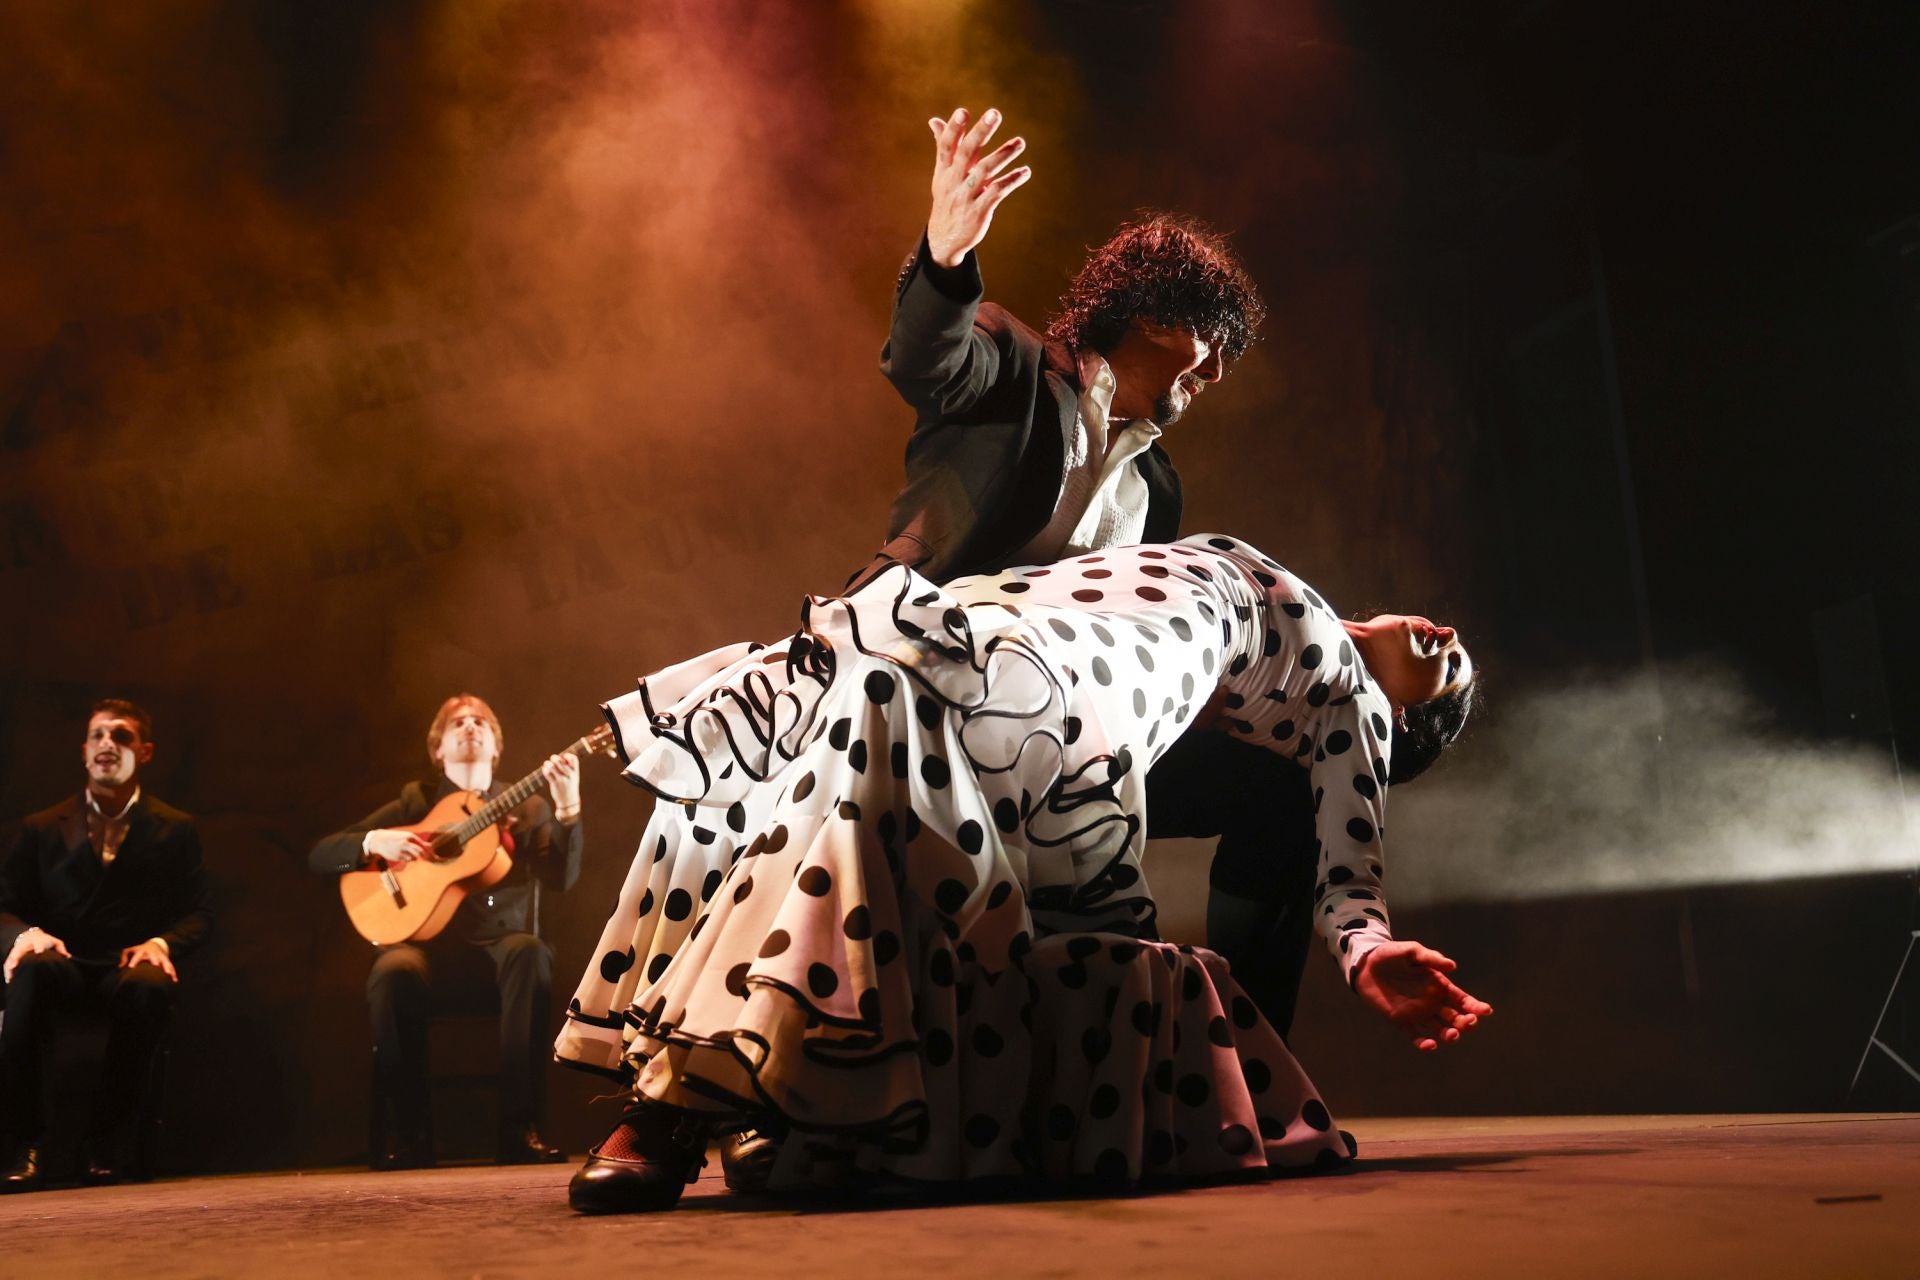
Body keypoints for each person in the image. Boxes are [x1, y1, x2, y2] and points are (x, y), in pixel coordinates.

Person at [558, 533, 1488, 1213]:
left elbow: (1348, 853)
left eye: (1451, 677)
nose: (1448, 637)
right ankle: (750, 1103)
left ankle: (677, 1114)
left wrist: (1365, 948)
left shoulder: (1353, 708)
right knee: (767, 745)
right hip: (1002, 608)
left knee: (887, 706)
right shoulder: (1301, 591)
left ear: (1403, 728)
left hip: (1082, 673)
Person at [867, 106, 1406, 1053]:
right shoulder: (1012, 366)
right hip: (938, 691)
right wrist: (947, 256)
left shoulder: (1159, 485)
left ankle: (1247, 1068)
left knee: (1278, 792)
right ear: (1157, 314)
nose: (1220, 378)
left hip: (1088, 742)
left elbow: (1149, 636)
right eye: (1216, 349)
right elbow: (925, 358)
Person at [309, 694, 583, 1169]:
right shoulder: (415, 803)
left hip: (497, 948)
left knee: (530, 952)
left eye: (481, 722)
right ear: (438, 749)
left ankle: (519, 1130)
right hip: (424, 946)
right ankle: (412, 1137)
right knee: (392, 968)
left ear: (497, 746)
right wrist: (376, 841)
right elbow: (321, 855)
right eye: (458, 723)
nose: (471, 727)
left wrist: (568, 809)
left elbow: (561, 879)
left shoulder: (530, 805)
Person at [0, 699, 214, 1191]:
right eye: (97, 736)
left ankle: (109, 1144)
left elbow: (200, 912)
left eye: (121, 737)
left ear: (146, 751)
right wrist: (26, 934)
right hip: (64, 962)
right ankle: (24, 1144)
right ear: (83, 751)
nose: (107, 746)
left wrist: (162, 942)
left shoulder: (175, 828)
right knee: (29, 972)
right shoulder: (40, 827)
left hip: (127, 963)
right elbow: (5, 905)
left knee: (149, 986)